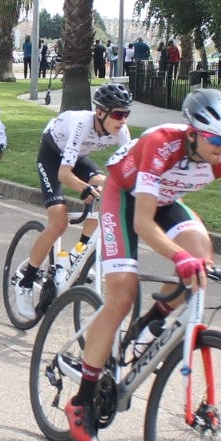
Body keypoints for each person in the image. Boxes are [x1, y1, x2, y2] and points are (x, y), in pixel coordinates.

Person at [63, 88, 221, 441]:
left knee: (202, 255)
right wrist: (178, 257)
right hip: (124, 196)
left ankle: (151, 322)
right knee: (122, 295)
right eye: (216, 139)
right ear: (193, 133)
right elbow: (142, 222)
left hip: (165, 201)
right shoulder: (162, 144)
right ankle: (82, 400)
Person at [9, 83, 134, 319]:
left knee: (107, 188)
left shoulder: (121, 131)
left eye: (126, 114)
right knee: (59, 222)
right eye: (118, 114)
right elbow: (64, 174)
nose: (123, 120)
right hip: (52, 156)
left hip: (77, 157)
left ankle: (78, 251)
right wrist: (83, 187)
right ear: (100, 112)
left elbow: (128, 171)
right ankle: (25, 282)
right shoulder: (82, 123)